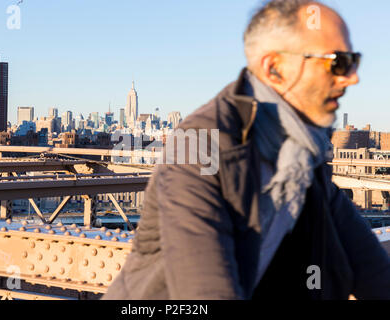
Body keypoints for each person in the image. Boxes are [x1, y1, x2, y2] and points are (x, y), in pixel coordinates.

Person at [103, 0, 390, 300]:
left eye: (353, 61)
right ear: (274, 67)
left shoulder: (303, 154)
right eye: (337, 62)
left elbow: (371, 267)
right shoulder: (200, 146)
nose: (352, 77)